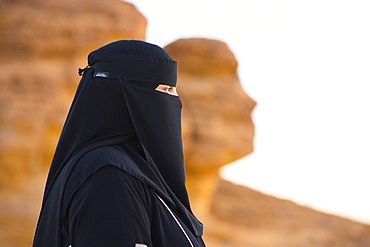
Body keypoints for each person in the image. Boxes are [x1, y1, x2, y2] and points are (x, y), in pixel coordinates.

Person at [33, 40, 206, 247]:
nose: (176, 100)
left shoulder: (128, 170)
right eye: (166, 89)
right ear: (130, 97)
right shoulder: (108, 175)